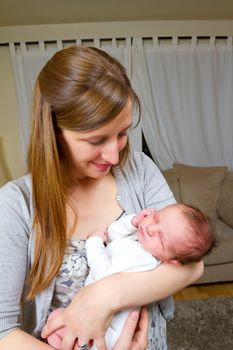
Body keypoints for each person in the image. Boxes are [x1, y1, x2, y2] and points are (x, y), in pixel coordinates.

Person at [0, 45, 203, 350]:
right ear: (53, 131)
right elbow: (4, 332)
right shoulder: (16, 204)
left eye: (122, 133)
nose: (114, 154)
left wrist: (103, 296)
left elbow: (191, 264)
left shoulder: (140, 171)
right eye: (96, 140)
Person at [46, 203, 215, 349]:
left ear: (173, 261)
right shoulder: (142, 243)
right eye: (156, 218)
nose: (150, 228)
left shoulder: (143, 259)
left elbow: (102, 271)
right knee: (61, 322)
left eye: (161, 238)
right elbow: (113, 235)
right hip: (101, 319)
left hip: (111, 330)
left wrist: (94, 241)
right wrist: (133, 222)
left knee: (65, 327)